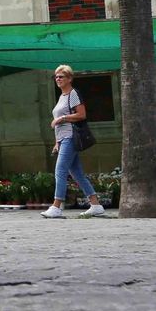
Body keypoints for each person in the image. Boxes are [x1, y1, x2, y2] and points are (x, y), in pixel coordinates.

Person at [43, 66, 106, 218]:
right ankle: (96, 205)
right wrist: (57, 142)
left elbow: (81, 114)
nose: (58, 79)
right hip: (63, 138)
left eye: (61, 76)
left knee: (60, 170)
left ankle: (56, 206)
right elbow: (60, 125)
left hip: (71, 137)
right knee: (76, 173)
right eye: (56, 77)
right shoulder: (61, 96)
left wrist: (61, 118)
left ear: (69, 79)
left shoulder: (73, 94)